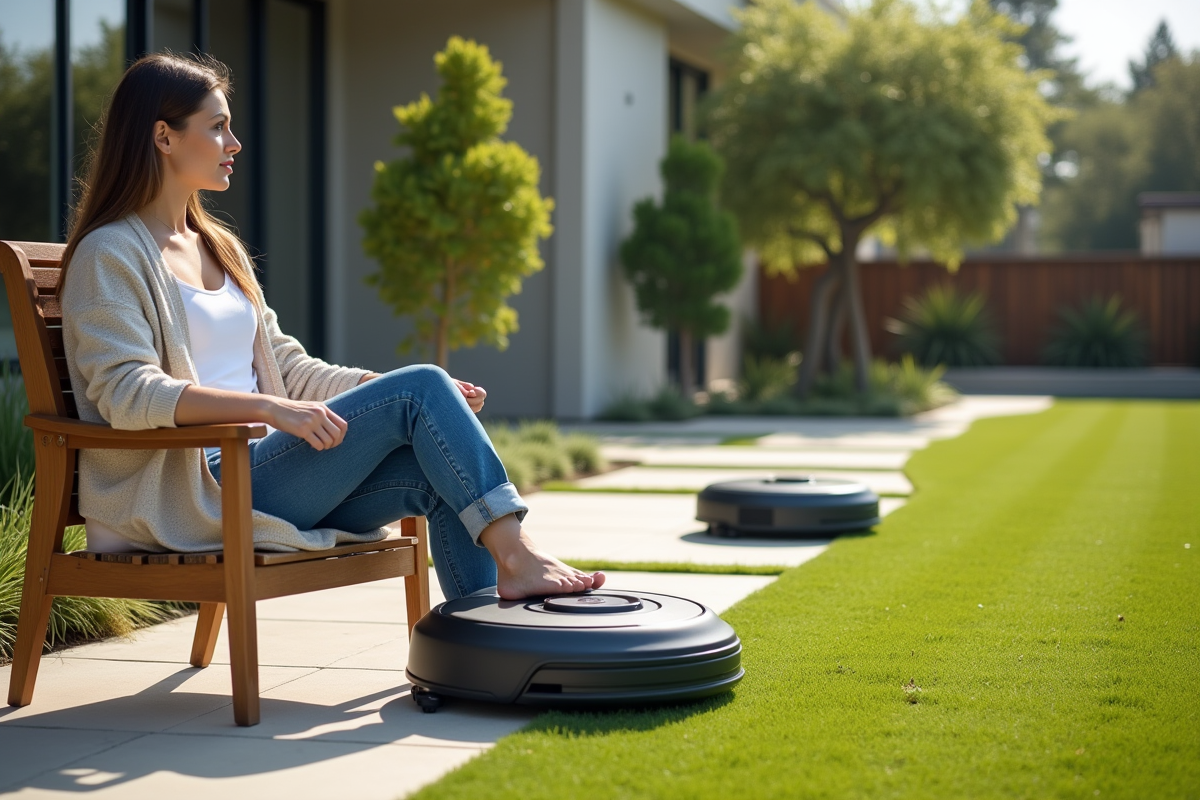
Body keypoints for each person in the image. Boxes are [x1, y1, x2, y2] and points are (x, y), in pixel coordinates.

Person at [57, 52, 603, 602]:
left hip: (269, 468)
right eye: (218, 126)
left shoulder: (219, 248)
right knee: (422, 386)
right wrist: (268, 409)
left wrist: (373, 390)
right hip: (200, 485)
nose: (234, 143)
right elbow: (126, 393)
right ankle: (519, 555)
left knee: (435, 467)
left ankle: (484, 649)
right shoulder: (110, 254)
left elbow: (288, 368)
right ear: (164, 136)